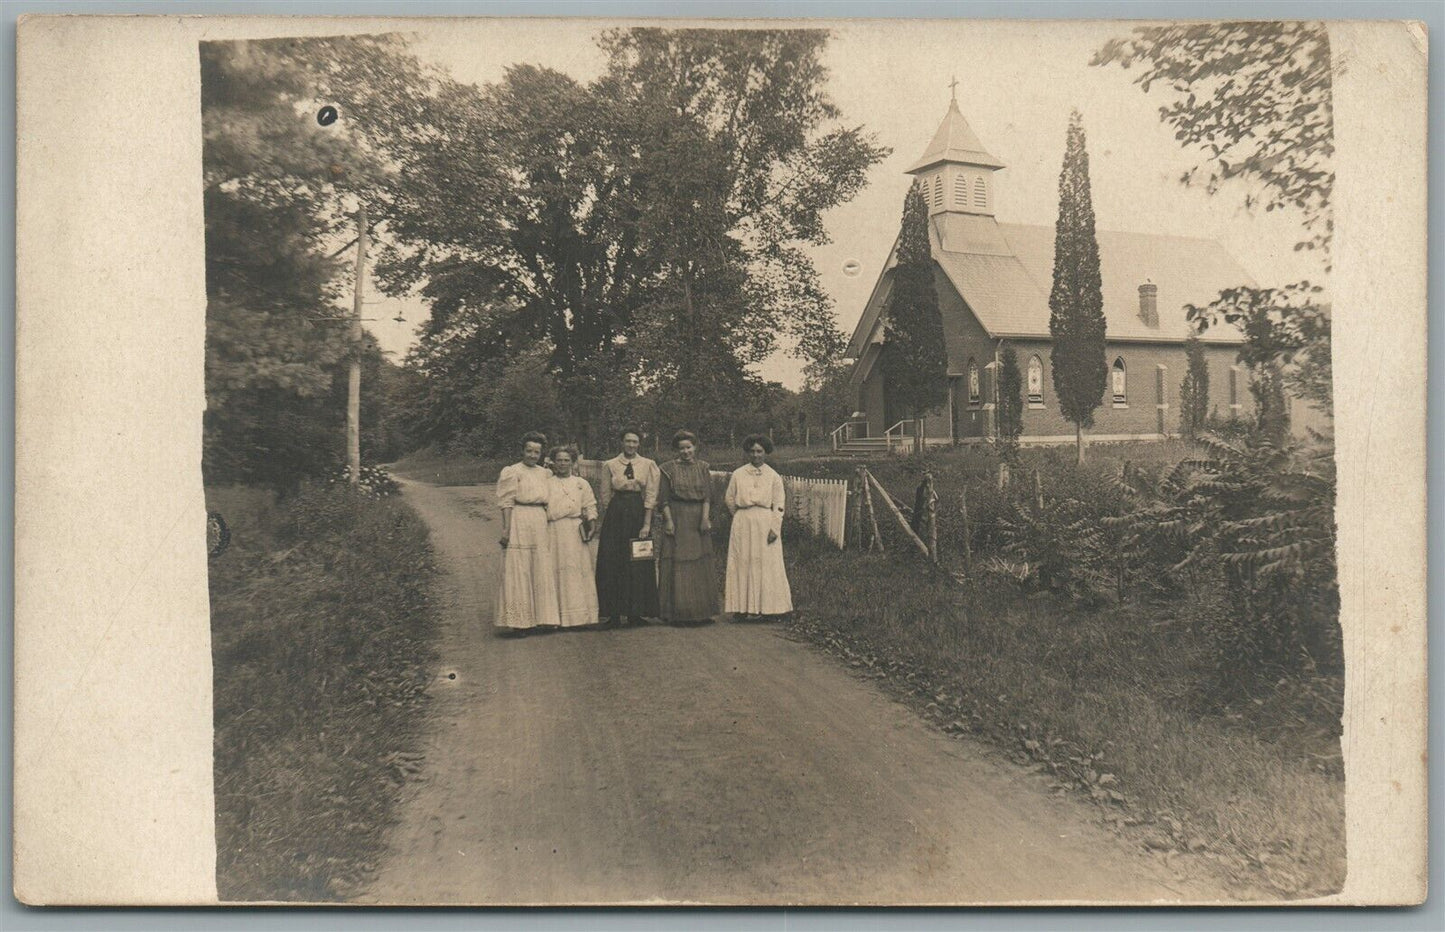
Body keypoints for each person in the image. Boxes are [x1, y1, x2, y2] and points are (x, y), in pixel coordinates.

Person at [594, 427, 660, 628]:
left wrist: (646, 524)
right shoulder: (610, 465)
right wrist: (611, 517)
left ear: (639, 444)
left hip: (637, 511)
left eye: (635, 442)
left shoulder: (648, 465)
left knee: (638, 560)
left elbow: (650, 496)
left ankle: (635, 613)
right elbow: (605, 495)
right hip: (616, 513)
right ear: (621, 442)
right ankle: (612, 614)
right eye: (628, 441)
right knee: (612, 561)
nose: (631, 445)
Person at [495, 432, 560, 635]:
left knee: (540, 567)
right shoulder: (512, 471)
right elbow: (506, 502)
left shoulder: (546, 473)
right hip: (520, 518)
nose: (533, 455)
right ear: (522, 450)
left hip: (539, 520)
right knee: (520, 569)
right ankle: (520, 622)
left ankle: (544, 619)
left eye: (537, 452)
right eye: (529, 451)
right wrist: (506, 529)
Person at [723, 434, 793, 621]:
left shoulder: (773, 476)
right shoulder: (738, 474)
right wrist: (739, 516)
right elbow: (729, 498)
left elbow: (779, 503)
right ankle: (741, 608)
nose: (756, 455)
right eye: (752, 451)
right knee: (742, 561)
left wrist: (774, 528)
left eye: (759, 451)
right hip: (743, 521)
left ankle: (770, 609)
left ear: (765, 453)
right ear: (748, 452)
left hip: (765, 520)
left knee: (767, 564)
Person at [657, 430, 719, 626]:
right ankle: (679, 613)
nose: (685, 451)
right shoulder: (667, 469)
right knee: (679, 562)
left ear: (695, 447)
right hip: (677, 516)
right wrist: (668, 521)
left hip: (698, 518)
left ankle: (702, 611)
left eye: (689, 447)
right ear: (677, 449)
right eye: (681, 448)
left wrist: (705, 519)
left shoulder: (703, 468)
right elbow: (664, 498)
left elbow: (708, 496)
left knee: (700, 561)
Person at [546, 446, 599, 629]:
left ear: (572, 462)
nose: (562, 464)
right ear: (553, 462)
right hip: (554, 530)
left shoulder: (581, 483)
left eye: (566, 460)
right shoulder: (547, 483)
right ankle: (555, 618)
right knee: (556, 569)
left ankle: (580, 617)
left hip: (575, 530)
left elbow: (590, 506)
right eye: (559, 460)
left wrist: (592, 526)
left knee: (576, 570)